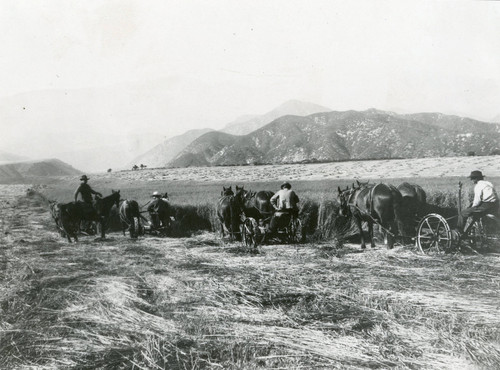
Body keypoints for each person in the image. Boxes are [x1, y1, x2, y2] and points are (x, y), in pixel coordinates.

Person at [459, 170, 499, 234]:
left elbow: (477, 201)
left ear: (476, 178)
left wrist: (471, 208)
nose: (472, 181)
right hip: (495, 204)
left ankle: (459, 231)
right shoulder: (488, 183)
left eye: (472, 179)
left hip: (486, 205)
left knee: (463, 213)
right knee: (476, 214)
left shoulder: (478, 186)